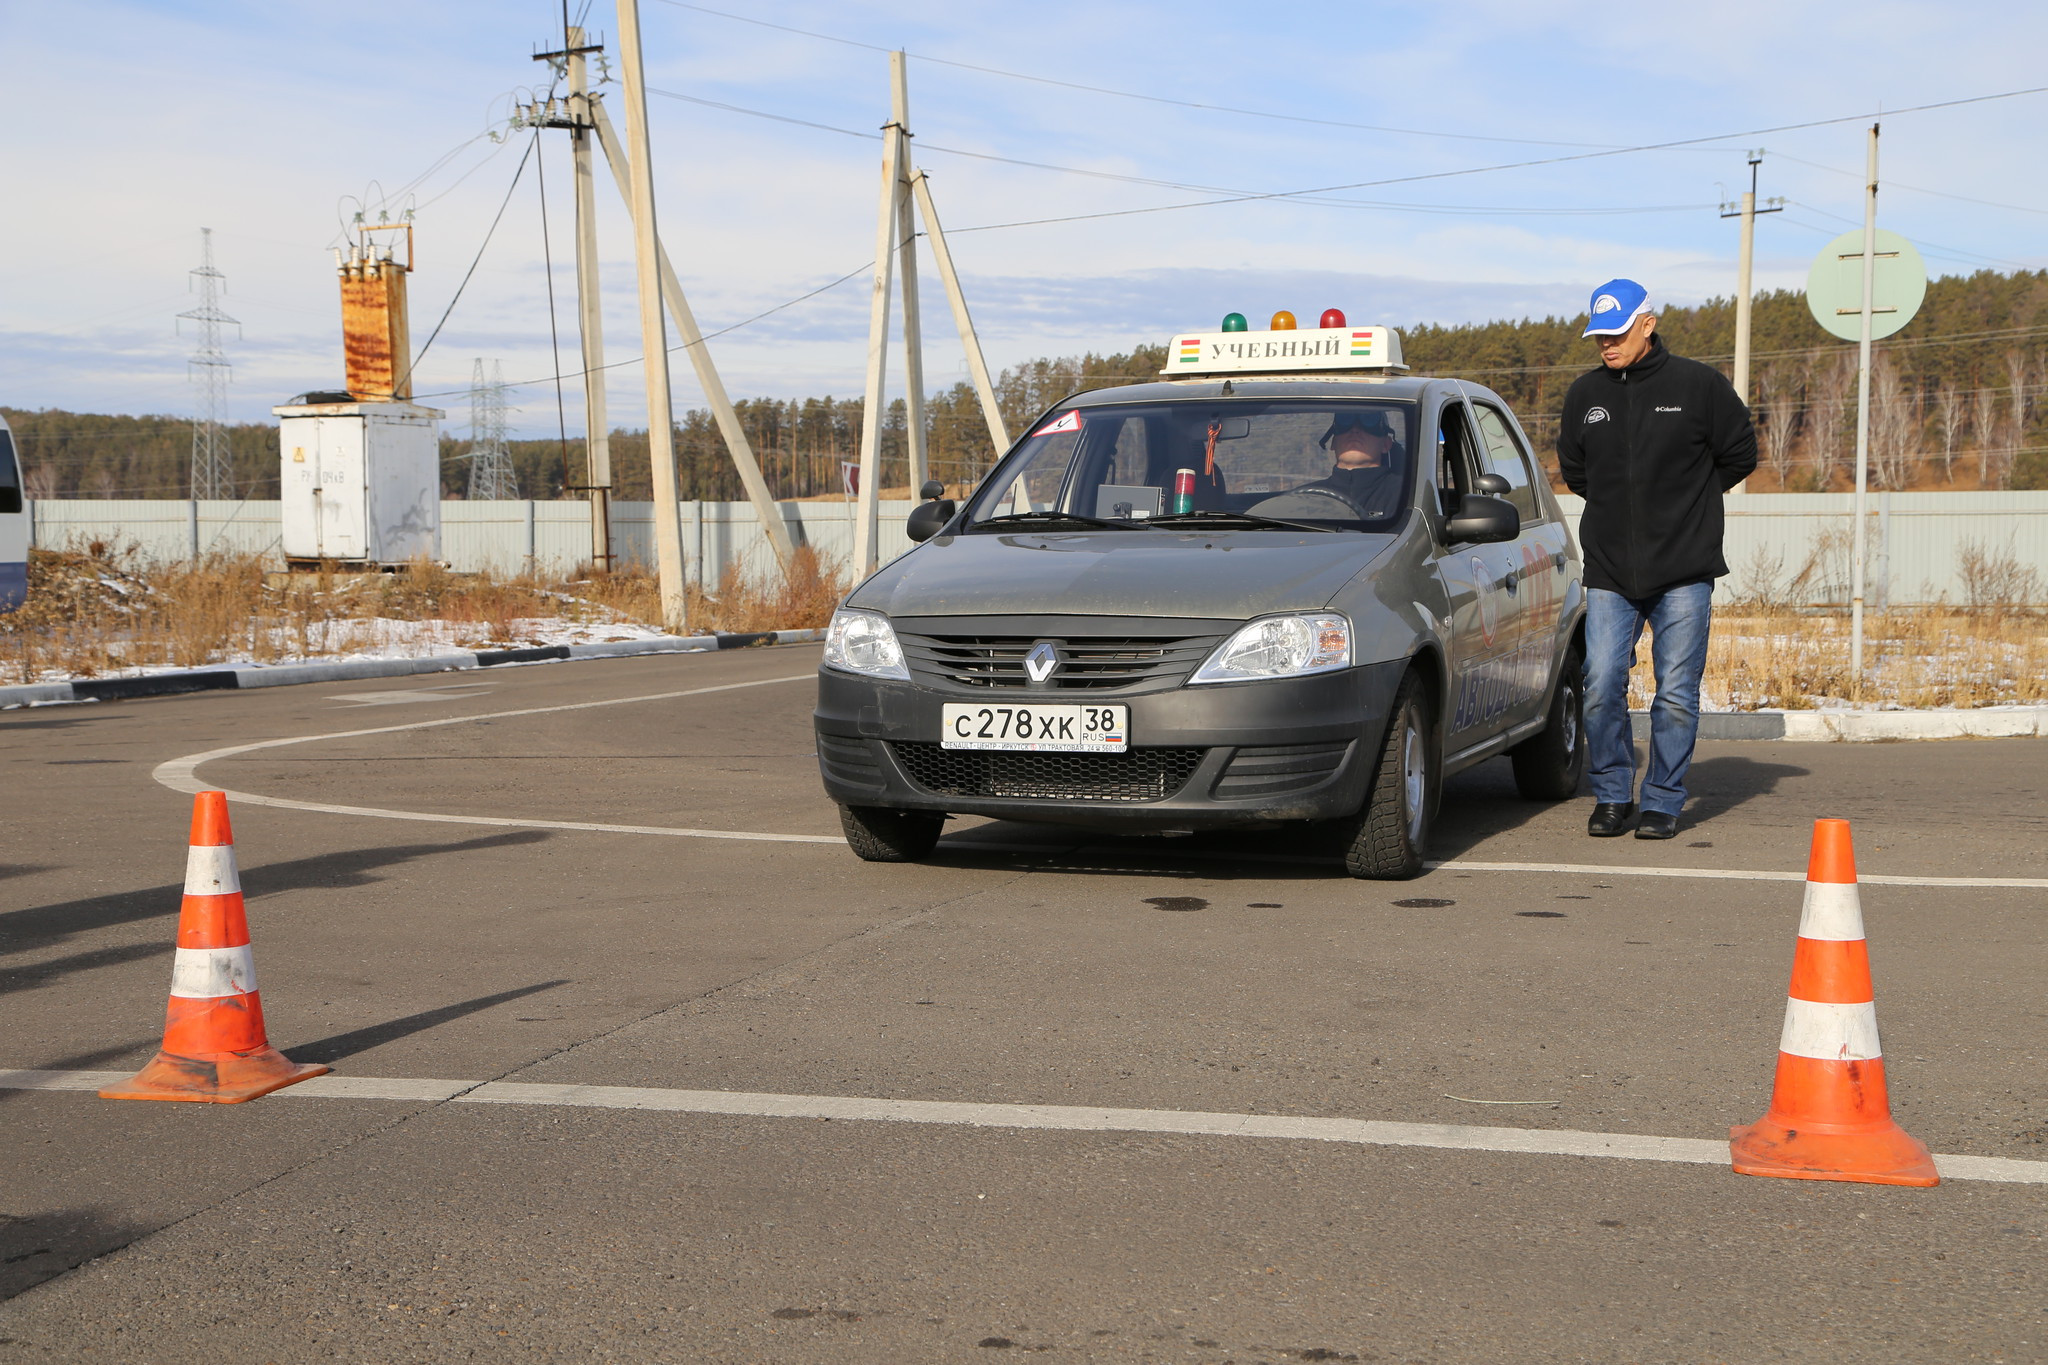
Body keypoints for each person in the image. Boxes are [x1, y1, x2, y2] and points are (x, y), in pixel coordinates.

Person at [1556, 279, 1756, 840]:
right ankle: (1614, 794)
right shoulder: (1584, 396)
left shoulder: (1698, 386)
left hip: (1685, 571)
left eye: (1617, 333)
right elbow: (1577, 473)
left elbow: (1741, 452)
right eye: (1599, 336)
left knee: (1674, 690)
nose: (1607, 345)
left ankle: (1664, 800)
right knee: (1599, 682)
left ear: (1648, 323)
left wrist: (1688, 499)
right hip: (1611, 572)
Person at [1298, 410, 1405, 515]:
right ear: (1333, 443)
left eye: (1369, 420)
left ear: (1386, 444)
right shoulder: (1303, 498)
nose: (1355, 430)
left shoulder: (1406, 495)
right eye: (1345, 420)